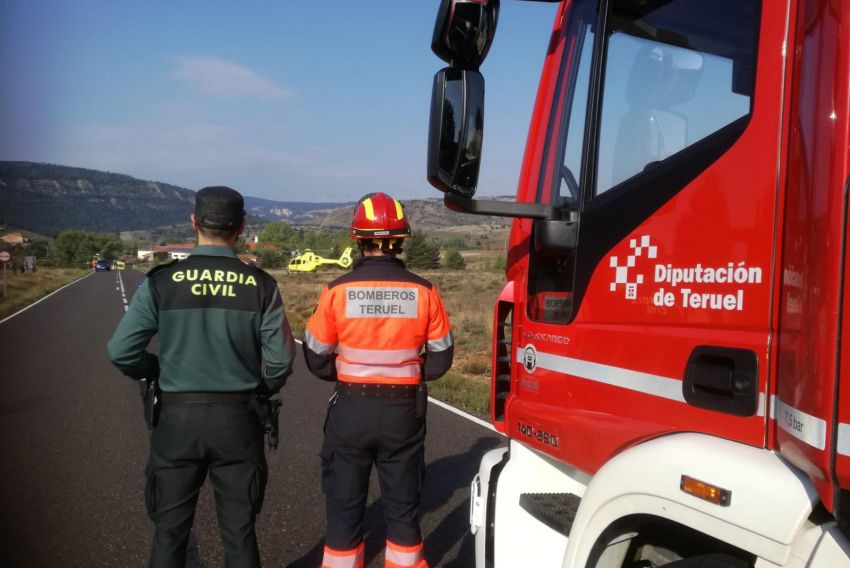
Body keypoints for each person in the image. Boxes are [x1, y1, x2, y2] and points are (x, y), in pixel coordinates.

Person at [107, 186, 296, 568]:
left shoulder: (162, 282)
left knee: (170, 532)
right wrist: (259, 390)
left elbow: (121, 351)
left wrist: (155, 370)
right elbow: (280, 362)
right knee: (240, 532)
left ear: (193, 223)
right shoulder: (261, 285)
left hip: (177, 420)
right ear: (241, 228)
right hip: (238, 420)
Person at [303, 192, 453, 568]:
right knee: (403, 510)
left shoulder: (337, 291)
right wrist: (412, 375)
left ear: (359, 239)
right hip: (404, 413)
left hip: (350, 409)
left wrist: (343, 375)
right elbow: (442, 356)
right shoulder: (425, 291)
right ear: (400, 240)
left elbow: (315, 354)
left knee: (344, 509)